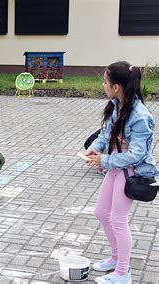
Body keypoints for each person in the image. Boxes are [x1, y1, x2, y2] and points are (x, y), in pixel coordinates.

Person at [85, 61, 158, 284]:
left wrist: (105, 160)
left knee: (118, 219)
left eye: (105, 81)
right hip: (117, 167)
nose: (103, 84)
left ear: (116, 86)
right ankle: (116, 258)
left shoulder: (139, 115)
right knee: (101, 213)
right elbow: (105, 134)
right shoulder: (115, 105)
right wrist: (95, 149)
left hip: (132, 172)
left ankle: (123, 273)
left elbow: (137, 154)